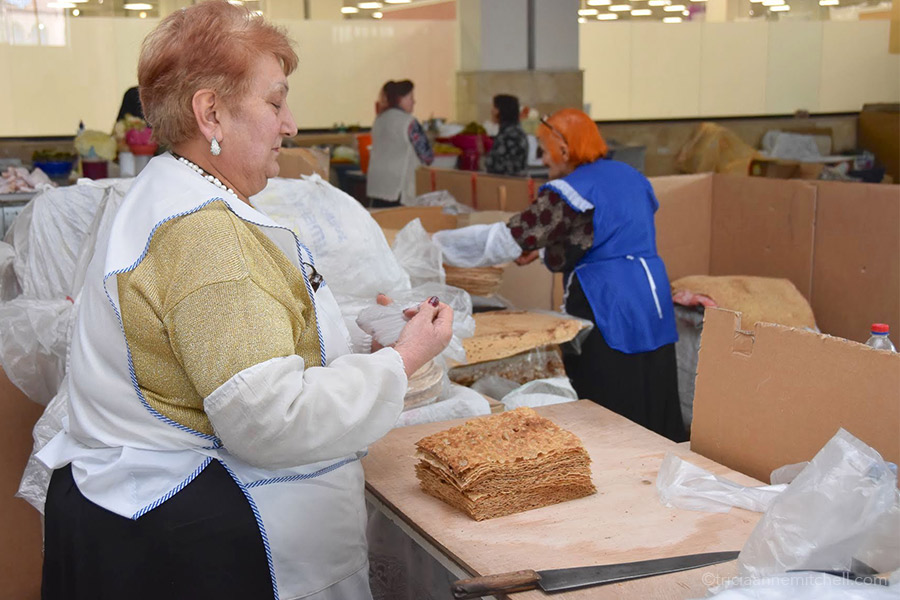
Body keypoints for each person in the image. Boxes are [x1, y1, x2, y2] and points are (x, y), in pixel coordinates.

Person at [36, 3, 453, 599]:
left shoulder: (170, 191)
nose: (291, 125)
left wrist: (363, 342)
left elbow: (231, 343)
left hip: (134, 516)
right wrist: (403, 359)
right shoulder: (203, 233)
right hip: (189, 540)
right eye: (276, 102)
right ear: (211, 113)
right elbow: (267, 418)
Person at [433, 108, 685, 442]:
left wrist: (434, 245)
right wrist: (539, 250)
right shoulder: (628, 175)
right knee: (652, 379)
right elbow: (597, 232)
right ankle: (658, 452)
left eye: (543, 148)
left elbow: (508, 239)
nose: (541, 157)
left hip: (607, 297)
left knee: (609, 389)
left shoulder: (570, 191)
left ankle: (616, 453)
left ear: (564, 150)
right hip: (651, 291)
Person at [366, 79, 433, 207]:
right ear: (399, 99)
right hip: (398, 189)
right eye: (410, 97)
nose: (414, 101)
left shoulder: (379, 119)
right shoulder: (409, 122)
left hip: (377, 185)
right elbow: (427, 156)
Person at [484, 94, 528, 175]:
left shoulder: (512, 135)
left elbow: (503, 167)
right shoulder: (508, 131)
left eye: (495, 107)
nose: (492, 111)